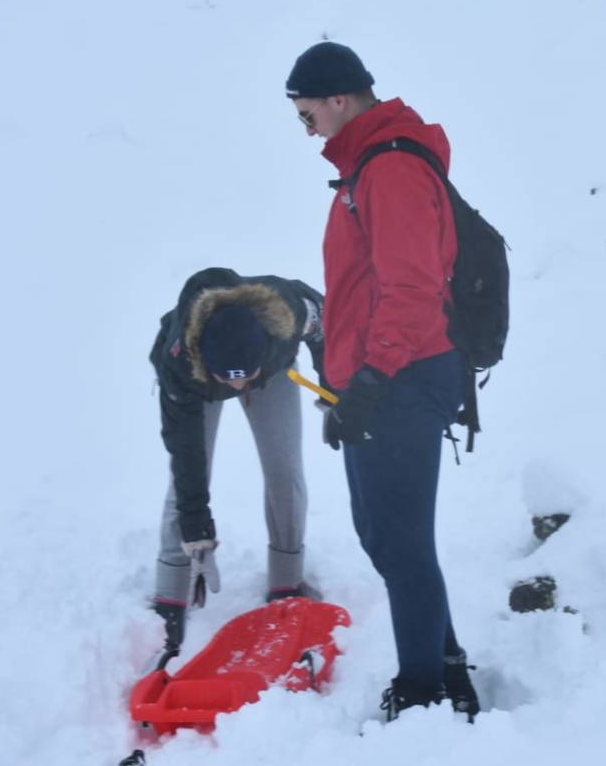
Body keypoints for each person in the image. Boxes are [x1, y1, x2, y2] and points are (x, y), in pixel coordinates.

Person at [285, 41, 481, 721]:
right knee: (382, 535)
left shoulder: (391, 167)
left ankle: (427, 691)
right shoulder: (366, 167)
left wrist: (369, 378)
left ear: (340, 97)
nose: (305, 125)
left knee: (400, 540)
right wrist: (343, 379)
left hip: (403, 374)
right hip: (379, 375)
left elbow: (411, 288)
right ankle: (443, 661)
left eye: (306, 111)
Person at [147, 267, 325, 659]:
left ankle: (286, 581)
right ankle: (171, 591)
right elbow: (186, 454)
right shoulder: (180, 363)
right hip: (197, 382)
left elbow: (328, 328)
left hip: (273, 372)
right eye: (230, 380)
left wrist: (333, 387)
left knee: (284, 469)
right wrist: (197, 529)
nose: (239, 388)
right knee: (190, 476)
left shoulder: (288, 314)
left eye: (245, 378)